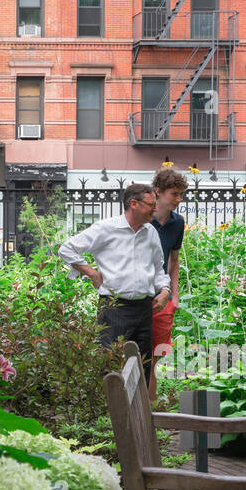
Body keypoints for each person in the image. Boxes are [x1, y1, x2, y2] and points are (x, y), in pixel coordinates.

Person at [59, 183, 172, 369]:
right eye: (151, 204)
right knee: (112, 368)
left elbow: (158, 268)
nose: (155, 209)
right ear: (134, 204)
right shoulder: (106, 229)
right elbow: (67, 249)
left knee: (142, 367)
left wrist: (165, 290)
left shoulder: (151, 232)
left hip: (145, 308)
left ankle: (137, 400)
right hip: (114, 309)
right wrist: (92, 273)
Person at [149, 166, 189, 404]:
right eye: (174, 194)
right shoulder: (143, 220)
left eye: (180, 194)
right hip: (140, 294)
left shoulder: (177, 223)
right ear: (158, 192)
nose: (178, 199)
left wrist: (174, 296)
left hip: (163, 297)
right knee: (133, 354)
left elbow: (174, 260)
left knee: (156, 355)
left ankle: (150, 409)